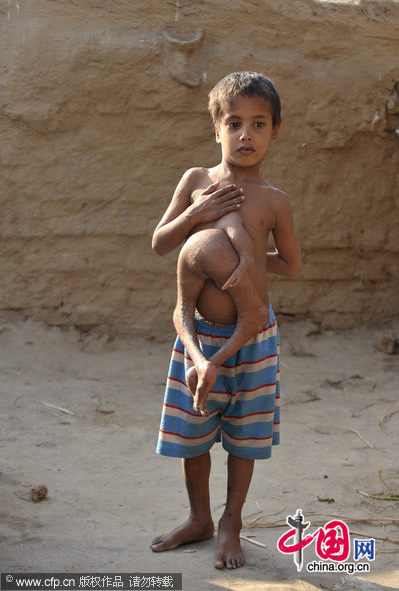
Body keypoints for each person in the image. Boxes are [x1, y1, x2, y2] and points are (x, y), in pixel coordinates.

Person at [150, 72, 301, 570]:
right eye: (234, 123)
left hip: (254, 342)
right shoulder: (197, 181)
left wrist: (252, 265)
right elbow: (161, 242)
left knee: (244, 435)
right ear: (217, 128)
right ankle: (199, 518)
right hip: (199, 331)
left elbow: (292, 263)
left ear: (275, 132)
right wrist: (200, 213)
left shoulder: (275, 200)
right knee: (194, 432)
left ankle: (231, 521)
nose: (246, 135)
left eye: (259, 124)